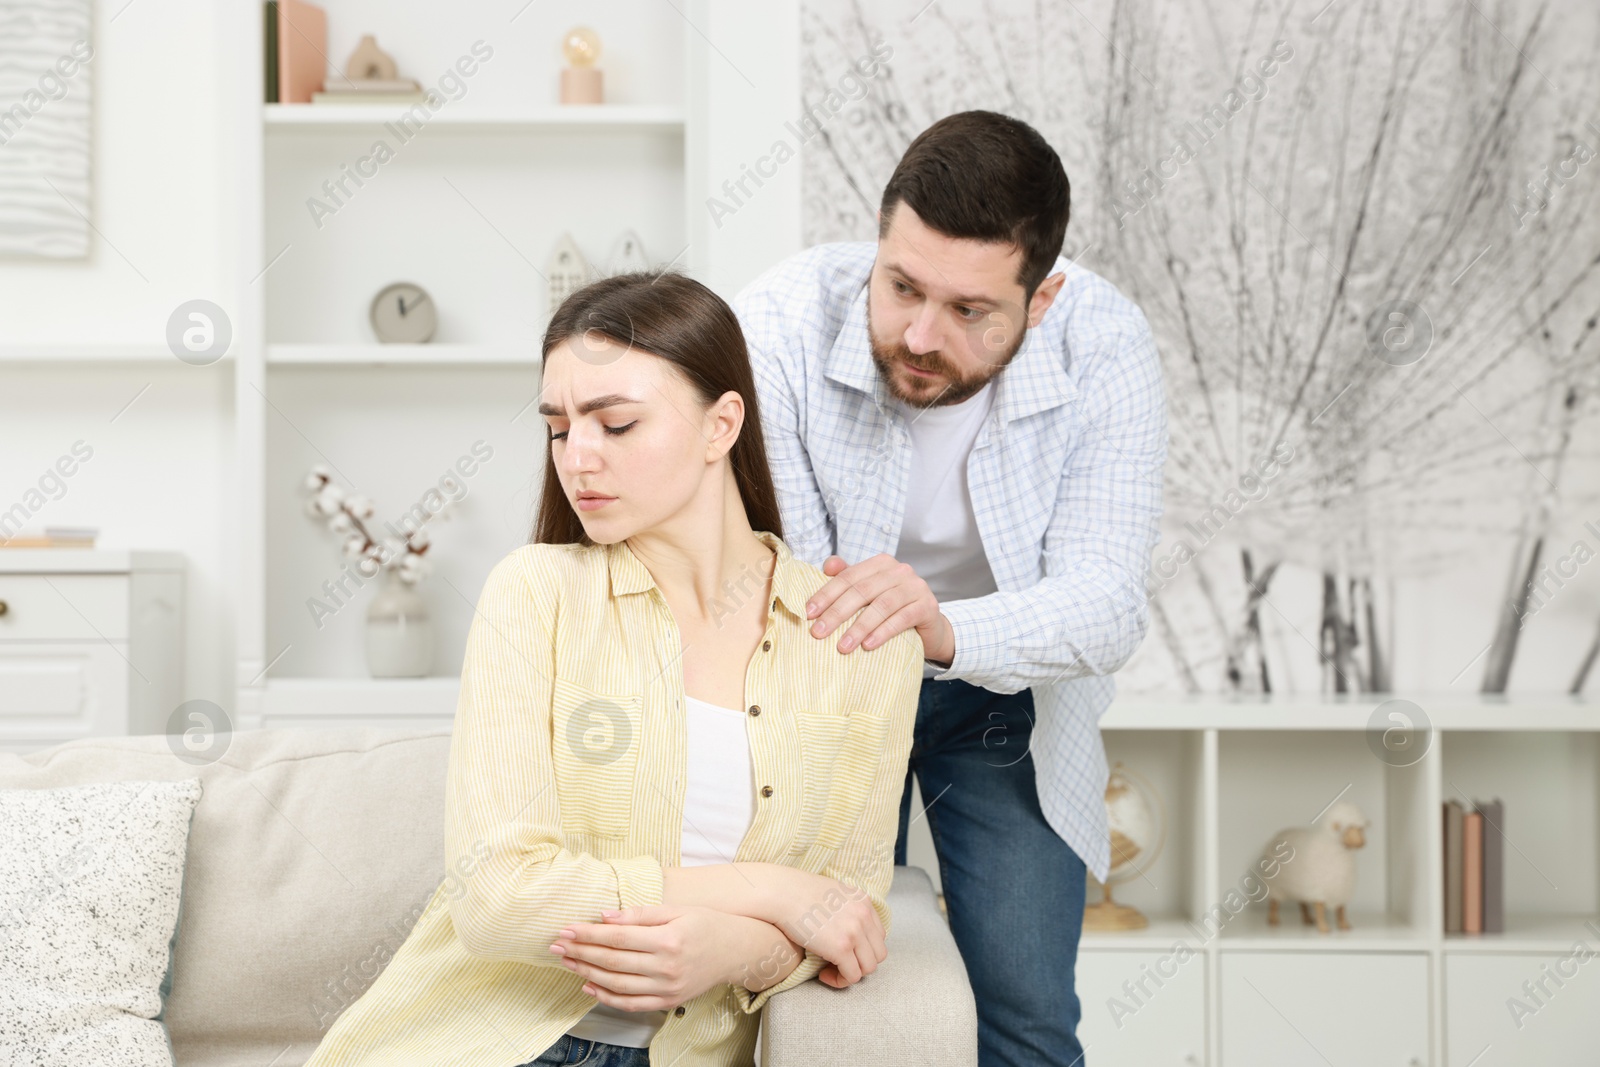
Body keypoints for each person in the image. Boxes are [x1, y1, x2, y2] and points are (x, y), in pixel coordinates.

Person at [301, 272, 925, 1067]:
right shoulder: (535, 593)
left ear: (720, 424)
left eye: (617, 424)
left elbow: (851, 911)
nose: (577, 457)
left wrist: (731, 951)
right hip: (474, 1043)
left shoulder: (862, 641)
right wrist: (767, 893)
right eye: (560, 429)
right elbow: (495, 897)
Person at [731, 109, 1169, 1066]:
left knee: (1027, 1012)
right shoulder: (774, 324)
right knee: (819, 1001)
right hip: (827, 694)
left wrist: (942, 625)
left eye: (970, 310)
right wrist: (890, 631)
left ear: (1041, 299)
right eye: (902, 288)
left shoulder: (1106, 342)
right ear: (880, 242)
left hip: (1004, 697)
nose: (920, 336)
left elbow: (1105, 605)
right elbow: (790, 585)